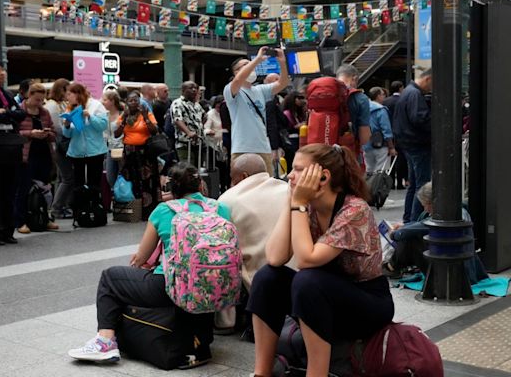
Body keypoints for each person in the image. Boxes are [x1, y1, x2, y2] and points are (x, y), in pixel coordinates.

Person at [247, 143, 394, 377]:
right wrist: (292, 203)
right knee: (267, 277)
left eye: (297, 170)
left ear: (323, 177)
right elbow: (275, 257)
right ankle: (261, 372)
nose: (289, 176)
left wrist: (298, 204)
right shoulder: (308, 206)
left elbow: (306, 259)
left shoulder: (355, 210)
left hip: (367, 301)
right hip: (323, 293)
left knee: (307, 280)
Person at [68, 162, 230, 364]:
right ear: (200, 186)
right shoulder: (221, 208)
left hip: (170, 288)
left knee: (110, 278)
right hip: (212, 287)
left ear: (172, 188)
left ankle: (105, 341)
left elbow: (141, 258)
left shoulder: (164, 210)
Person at [215, 154, 291, 332]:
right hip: (297, 277)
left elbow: (221, 249)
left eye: (233, 179)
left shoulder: (227, 200)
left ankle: (226, 322)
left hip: (261, 287)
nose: (232, 183)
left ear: (243, 177)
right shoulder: (286, 188)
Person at [384, 182, 489, 284]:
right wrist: (404, 226)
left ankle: (391, 267)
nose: (425, 209)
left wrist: (394, 233)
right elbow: (420, 225)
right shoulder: (457, 209)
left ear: (434, 202)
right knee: (412, 235)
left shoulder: (443, 217)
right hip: (460, 268)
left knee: (409, 239)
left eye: (426, 205)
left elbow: (412, 230)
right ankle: (393, 266)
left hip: (452, 274)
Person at [224, 46, 289, 176]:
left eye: (249, 64)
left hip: (263, 148)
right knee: (241, 187)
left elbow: (283, 83)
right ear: (236, 72)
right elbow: (238, 81)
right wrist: (257, 60)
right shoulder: (231, 90)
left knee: (266, 185)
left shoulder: (259, 90)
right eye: (244, 65)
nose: (250, 67)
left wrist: (282, 62)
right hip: (242, 148)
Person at [16, 83, 58, 234]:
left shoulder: (44, 112)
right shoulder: (19, 111)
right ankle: (21, 221)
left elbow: (54, 133)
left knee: (46, 188)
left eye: (41, 100)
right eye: (36, 99)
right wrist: (30, 133)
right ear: (29, 95)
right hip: (26, 154)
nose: (39, 103)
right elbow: (14, 134)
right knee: (24, 187)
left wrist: (47, 133)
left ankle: (45, 218)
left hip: (44, 153)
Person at [393, 69, 433, 222]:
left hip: (408, 144)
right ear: (428, 79)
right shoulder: (415, 95)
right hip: (418, 144)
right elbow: (420, 118)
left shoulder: (408, 92)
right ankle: (415, 220)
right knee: (421, 185)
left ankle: (409, 219)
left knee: (414, 184)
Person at [115, 91, 159, 220]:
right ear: (127, 102)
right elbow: (116, 134)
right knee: (132, 180)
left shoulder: (146, 113)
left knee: (147, 181)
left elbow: (154, 131)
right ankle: (134, 209)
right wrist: (123, 120)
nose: (134, 102)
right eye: (131, 100)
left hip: (145, 152)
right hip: (129, 152)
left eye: (136, 100)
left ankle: (148, 211)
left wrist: (145, 117)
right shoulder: (124, 115)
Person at [62, 82, 108, 196]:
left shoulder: (96, 105)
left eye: (69, 95)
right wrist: (67, 125)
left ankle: (95, 208)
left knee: (94, 183)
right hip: (77, 153)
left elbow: (103, 126)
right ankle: (81, 210)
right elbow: (67, 135)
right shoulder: (69, 109)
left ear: (78, 94)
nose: (67, 98)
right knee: (78, 184)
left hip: (95, 151)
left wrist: (90, 117)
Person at [0, 63, 26, 245]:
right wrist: (10, 114)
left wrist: (6, 112)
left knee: (10, 190)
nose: (2, 73)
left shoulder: (7, 94)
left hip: (11, 148)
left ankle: (7, 230)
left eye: (3, 70)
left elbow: (21, 113)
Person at [45, 78, 73, 219]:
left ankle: (62, 207)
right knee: (67, 178)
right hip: (59, 146)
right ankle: (57, 208)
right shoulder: (53, 106)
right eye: (66, 90)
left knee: (63, 178)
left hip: (61, 145)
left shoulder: (60, 104)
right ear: (61, 90)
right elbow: (58, 128)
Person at [336, 65, 371, 166]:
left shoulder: (324, 94)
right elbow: (364, 138)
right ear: (354, 78)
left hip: (322, 150)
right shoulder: (360, 98)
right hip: (348, 152)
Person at [170, 81, 205, 165]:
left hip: (198, 143)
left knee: (197, 170)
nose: (194, 90)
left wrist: (200, 128)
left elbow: (204, 116)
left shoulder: (197, 105)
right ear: (183, 90)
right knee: (187, 170)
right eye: (190, 88)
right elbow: (177, 119)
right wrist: (188, 132)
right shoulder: (177, 103)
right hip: (185, 144)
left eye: (195, 88)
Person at [363, 87, 396, 173]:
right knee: (380, 172)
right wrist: (391, 147)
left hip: (366, 145)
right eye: (383, 95)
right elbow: (386, 130)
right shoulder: (381, 110)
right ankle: (378, 186)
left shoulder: (363, 108)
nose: (384, 97)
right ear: (378, 96)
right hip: (380, 145)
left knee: (369, 170)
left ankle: (369, 186)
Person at [383, 81, 408, 190]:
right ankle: (400, 182)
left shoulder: (385, 101)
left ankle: (391, 182)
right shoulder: (403, 100)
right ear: (400, 88)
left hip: (388, 132)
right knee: (401, 158)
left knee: (390, 158)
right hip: (401, 132)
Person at [264, 73, 289, 174]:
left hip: (269, 141)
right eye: (278, 80)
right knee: (273, 172)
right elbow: (271, 123)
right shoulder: (269, 99)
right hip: (269, 142)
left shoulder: (273, 98)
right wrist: (274, 147)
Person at [101, 90, 124, 187]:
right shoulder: (104, 115)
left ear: (112, 101)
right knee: (110, 178)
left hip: (121, 149)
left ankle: (124, 197)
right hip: (109, 150)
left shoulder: (122, 114)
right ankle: (114, 197)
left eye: (105, 100)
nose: (102, 102)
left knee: (122, 175)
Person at [282, 90, 307, 170]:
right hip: (291, 140)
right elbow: (286, 128)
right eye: (299, 98)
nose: (302, 101)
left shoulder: (299, 113)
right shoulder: (287, 113)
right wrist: (297, 126)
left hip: (300, 138)